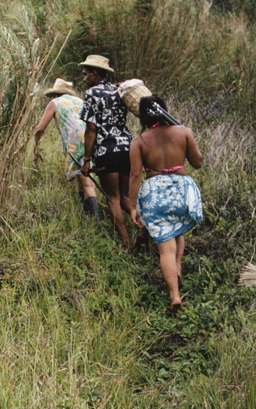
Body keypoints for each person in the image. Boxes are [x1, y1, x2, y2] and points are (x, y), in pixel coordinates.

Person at [127, 95, 204, 314]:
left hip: (155, 194)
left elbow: (135, 176)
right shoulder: (183, 132)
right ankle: (177, 266)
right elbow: (198, 163)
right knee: (177, 230)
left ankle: (175, 296)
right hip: (183, 193)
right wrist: (188, 138)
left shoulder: (139, 141)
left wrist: (133, 207)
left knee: (166, 250)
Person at [78, 55, 135, 250]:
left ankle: (126, 243)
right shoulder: (119, 90)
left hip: (106, 150)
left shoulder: (91, 94)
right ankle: (142, 229)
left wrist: (87, 160)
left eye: (86, 74)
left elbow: (91, 130)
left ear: (95, 73)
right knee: (124, 197)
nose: (84, 78)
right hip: (127, 148)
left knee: (113, 198)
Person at [33, 78, 99, 219]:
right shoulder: (80, 101)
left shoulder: (55, 103)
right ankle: (86, 216)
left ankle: (95, 223)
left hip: (76, 143)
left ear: (55, 94)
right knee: (80, 177)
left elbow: (40, 129)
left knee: (87, 183)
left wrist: (35, 147)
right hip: (91, 140)